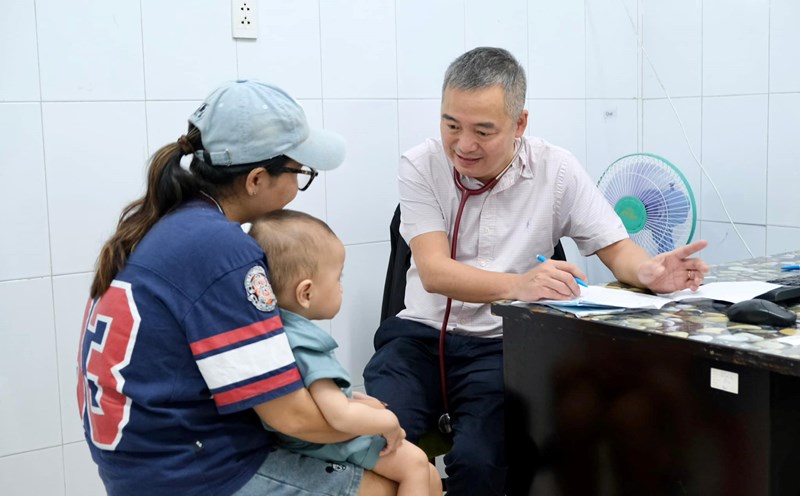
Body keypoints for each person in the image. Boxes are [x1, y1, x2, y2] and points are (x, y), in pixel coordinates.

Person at [362, 47, 710, 495]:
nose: (463, 145)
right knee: (377, 446)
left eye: (483, 130)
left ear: (520, 124)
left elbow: (615, 247)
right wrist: (520, 285)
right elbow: (434, 273)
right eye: (451, 125)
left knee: (481, 465)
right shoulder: (420, 165)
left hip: (502, 346)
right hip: (417, 341)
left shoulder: (556, 170)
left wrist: (648, 272)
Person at [76, 80, 399, 496]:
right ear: (256, 179)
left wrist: (351, 407)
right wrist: (379, 431)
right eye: (301, 172)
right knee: (389, 484)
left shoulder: (165, 220)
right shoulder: (223, 250)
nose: (301, 183)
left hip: (139, 462)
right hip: (190, 472)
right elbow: (292, 418)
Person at [248, 210, 442, 496]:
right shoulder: (307, 344)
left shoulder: (275, 330)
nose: (340, 287)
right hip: (329, 444)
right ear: (306, 293)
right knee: (415, 463)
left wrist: (360, 400)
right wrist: (388, 422)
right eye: (338, 278)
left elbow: (318, 394)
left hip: (299, 441)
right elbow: (337, 415)